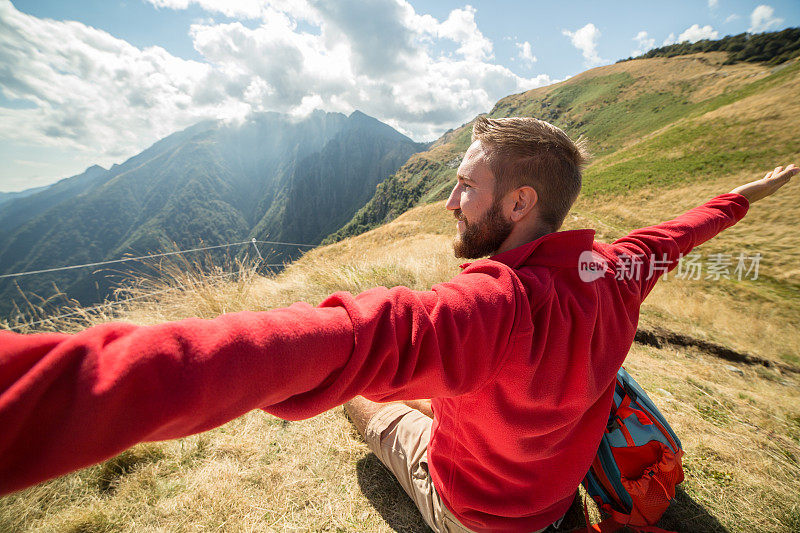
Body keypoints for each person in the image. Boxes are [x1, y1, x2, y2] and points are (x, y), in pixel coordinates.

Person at [0, 115, 795, 533]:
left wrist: (64, 385)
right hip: (556, 495)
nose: (451, 201)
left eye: (465, 186)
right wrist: (754, 189)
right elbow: (687, 228)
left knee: (362, 406)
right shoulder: (616, 271)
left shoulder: (492, 308)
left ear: (520, 204)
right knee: (440, 394)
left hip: (478, 513)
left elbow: (346, 344)